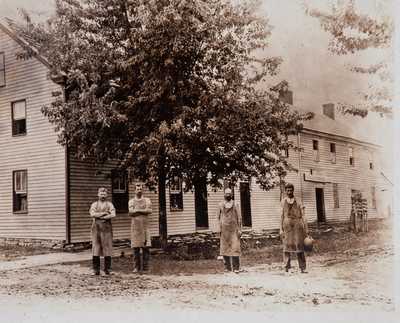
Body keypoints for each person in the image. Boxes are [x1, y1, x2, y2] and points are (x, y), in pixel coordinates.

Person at [280, 183, 308, 273]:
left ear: (293, 190)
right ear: (285, 191)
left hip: (297, 226)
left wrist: (306, 227)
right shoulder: (283, 201)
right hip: (287, 227)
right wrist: (280, 229)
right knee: (286, 246)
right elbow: (281, 216)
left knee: (299, 246)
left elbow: (303, 215)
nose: (289, 192)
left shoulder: (298, 201)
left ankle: (302, 268)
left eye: (291, 190)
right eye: (287, 190)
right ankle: (286, 267)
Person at [89, 187, 116, 275]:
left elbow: (113, 214)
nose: (103, 195)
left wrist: (102, 217)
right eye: (101, 194)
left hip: (106, 228)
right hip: (96, 228)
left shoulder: (110, 204)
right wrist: (104, 213)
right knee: (96, 247)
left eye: (104, 194)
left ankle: (107, 269)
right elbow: (92, 214)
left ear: (107, 195)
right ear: (98, 194)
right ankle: (96, 270)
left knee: (107, 247)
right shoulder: (94, 204)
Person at [216, 188, 242, 273]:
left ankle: (236, 268)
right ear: (224, 194)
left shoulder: (236, 204)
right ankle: (227, 268)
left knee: (235, 248)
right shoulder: (220, 204)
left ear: (232, 194)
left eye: (229, 193)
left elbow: (239, 218)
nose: (228, 195)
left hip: (234, 229)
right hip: (224, 230)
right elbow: (218, 217)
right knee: (225, 248)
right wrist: (218, 228)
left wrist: (240, 229)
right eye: (226, 193)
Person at [129, 183, 152, 273]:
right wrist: (143, 211)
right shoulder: (131, 201)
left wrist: (138, 210)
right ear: (134, 190)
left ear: (143, 190)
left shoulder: (147, 200)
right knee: (136, 248)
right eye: (137, 189)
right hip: (135, 226)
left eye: (141, 189)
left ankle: (146, 267)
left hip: (145, 226)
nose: (139, 190)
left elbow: (149, 210)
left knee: (146, 247)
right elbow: (130, 212)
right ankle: (136, 267)